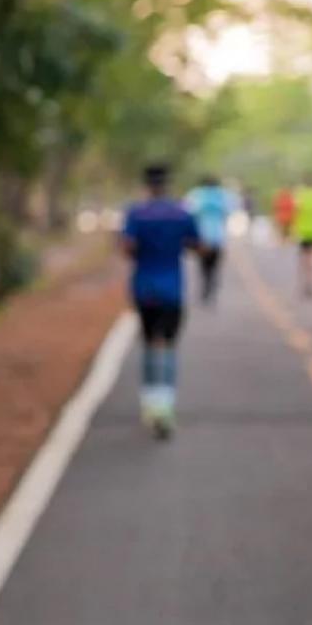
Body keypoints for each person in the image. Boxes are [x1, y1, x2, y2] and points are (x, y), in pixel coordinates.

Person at [121, 164, 199, 440]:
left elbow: (127, 247)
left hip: (144, 287)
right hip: (172, 290)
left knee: (149, 342)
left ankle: (150, 402)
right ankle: (164, 406)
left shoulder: (136, 213)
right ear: (168, 184)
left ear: (147, 184)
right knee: (167, 344)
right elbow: (196, 244)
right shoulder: (182, 213)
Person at [183, 175, 236, 305]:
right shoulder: (222, 196)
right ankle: (210, 286)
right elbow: (230, 211)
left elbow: (188, 212)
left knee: (203, 265)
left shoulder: (197, 195)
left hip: (202, 237)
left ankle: (206, 287)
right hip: (218, 237)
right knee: (214, 265)